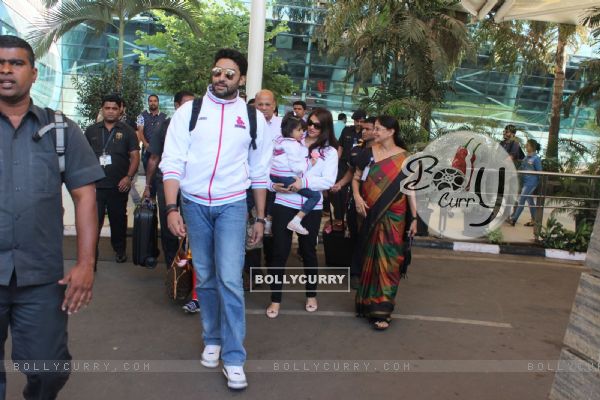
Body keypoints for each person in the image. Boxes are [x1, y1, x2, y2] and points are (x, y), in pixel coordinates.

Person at [161, 49, 272, 390]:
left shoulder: (253, 119)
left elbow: (260, 173)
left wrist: (259, 218)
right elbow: (172, 161)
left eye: (229, 74)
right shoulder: (189, 113)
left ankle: (235, 357)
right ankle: (212, 338)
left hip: (232, 206)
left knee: (229, 280)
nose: (221, 78)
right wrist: (171, 208)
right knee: (205, 277)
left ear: (241, 79)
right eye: (217, 72)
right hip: (193, 205)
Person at [0, 35, 104, 398]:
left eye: (16, 63)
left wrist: (86, 264)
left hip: (41, 278)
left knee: (49, 369)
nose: (5, 70)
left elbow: (85, 196)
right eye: (0, 63)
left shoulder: (60, 131)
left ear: (34, 72)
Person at [265, 108, 338, 319]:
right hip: (283, 203)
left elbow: (328, 181)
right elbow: (269, 166)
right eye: (310, 123)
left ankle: (311, 294)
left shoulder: (330, 151)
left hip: (310, 208)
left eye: (317, 125)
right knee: (279, 252)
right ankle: (275, 299)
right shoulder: (290, 139)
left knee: (308, 252)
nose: (312, 128)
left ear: (325, 127)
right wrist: (272, 186)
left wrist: (302, 183)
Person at [354, 116, 417, 331]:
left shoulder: (406, 158)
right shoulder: (368, 153)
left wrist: (415, 218)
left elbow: (411, 190)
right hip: (369, 213)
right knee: (369, 257)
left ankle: (383, 310)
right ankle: (366, 303)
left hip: (395, 216)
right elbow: (355, 178)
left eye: (379, 129)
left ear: (391, 131)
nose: (375, 132)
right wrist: (357, 197)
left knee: (389, 261)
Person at [85, 94, 140, 264]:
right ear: (102, 109)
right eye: (107, 108)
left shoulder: (128, 131)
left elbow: (135, 157)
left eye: (114, 108)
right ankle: (91, 253)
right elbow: (83, 156)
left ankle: (120, 250)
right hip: (96, 186)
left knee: (118, 221)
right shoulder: (91, 130)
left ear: (120, 110)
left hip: (119, 186)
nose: (110, 111)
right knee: (94, 221)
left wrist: (128, 178)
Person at [143, 90, 195, 271]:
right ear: (176, 106)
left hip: (192, 186)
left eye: (193, 104)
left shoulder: (203, 125)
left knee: (193, 226)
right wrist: (148, 186)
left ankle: (191, 268)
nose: (190, 108)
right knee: (169, 226)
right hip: (166, 182)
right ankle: (172, 268)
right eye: (186, 104)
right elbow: (153, 158)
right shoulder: (165, 126)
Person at [270, 115, 321, 235]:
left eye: (303, 130)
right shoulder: (293, 144)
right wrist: (310, 162)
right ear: (289, 130)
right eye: (299, 130)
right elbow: (296, 167)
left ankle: (268, 221)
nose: (302, 133)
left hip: (274, 176)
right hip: (286, 177)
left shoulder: (279, 140)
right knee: (315, 196)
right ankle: (297, 220)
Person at [330, 109, 366, 222]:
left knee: (355, 191)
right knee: (338, 190)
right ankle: (339, 217)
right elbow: (340, 147)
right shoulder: (347, 130)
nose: (359, 124)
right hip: (343, 164)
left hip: (358, 167)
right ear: (353, 120)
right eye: (357, 121)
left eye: (361, 121)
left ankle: (353, 217)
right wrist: (335, 162)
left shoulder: (366, 133)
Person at [137, 94, 167, 197]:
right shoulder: (141, 116)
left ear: (158, 102)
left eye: (155, 101)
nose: (153, 103)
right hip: (147, 151)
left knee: (159, 176)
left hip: (160, 152)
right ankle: (150, 199)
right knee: (149, 176)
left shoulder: (164, 117)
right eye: (150, 101)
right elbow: (140, 132)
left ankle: (159, 196)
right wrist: (146, 145)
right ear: (148, 103)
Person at [508, 139, 543, 227]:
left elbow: (540, 173)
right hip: (525, 182)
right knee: (530, 201)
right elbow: (522, 167)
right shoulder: (526, 157)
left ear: (532, 147)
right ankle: (534, 220)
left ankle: (514, 219)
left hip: (531, 184)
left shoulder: (536, 159)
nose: (526, 146)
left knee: (522, 200)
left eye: (527, 145)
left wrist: (536, 184)